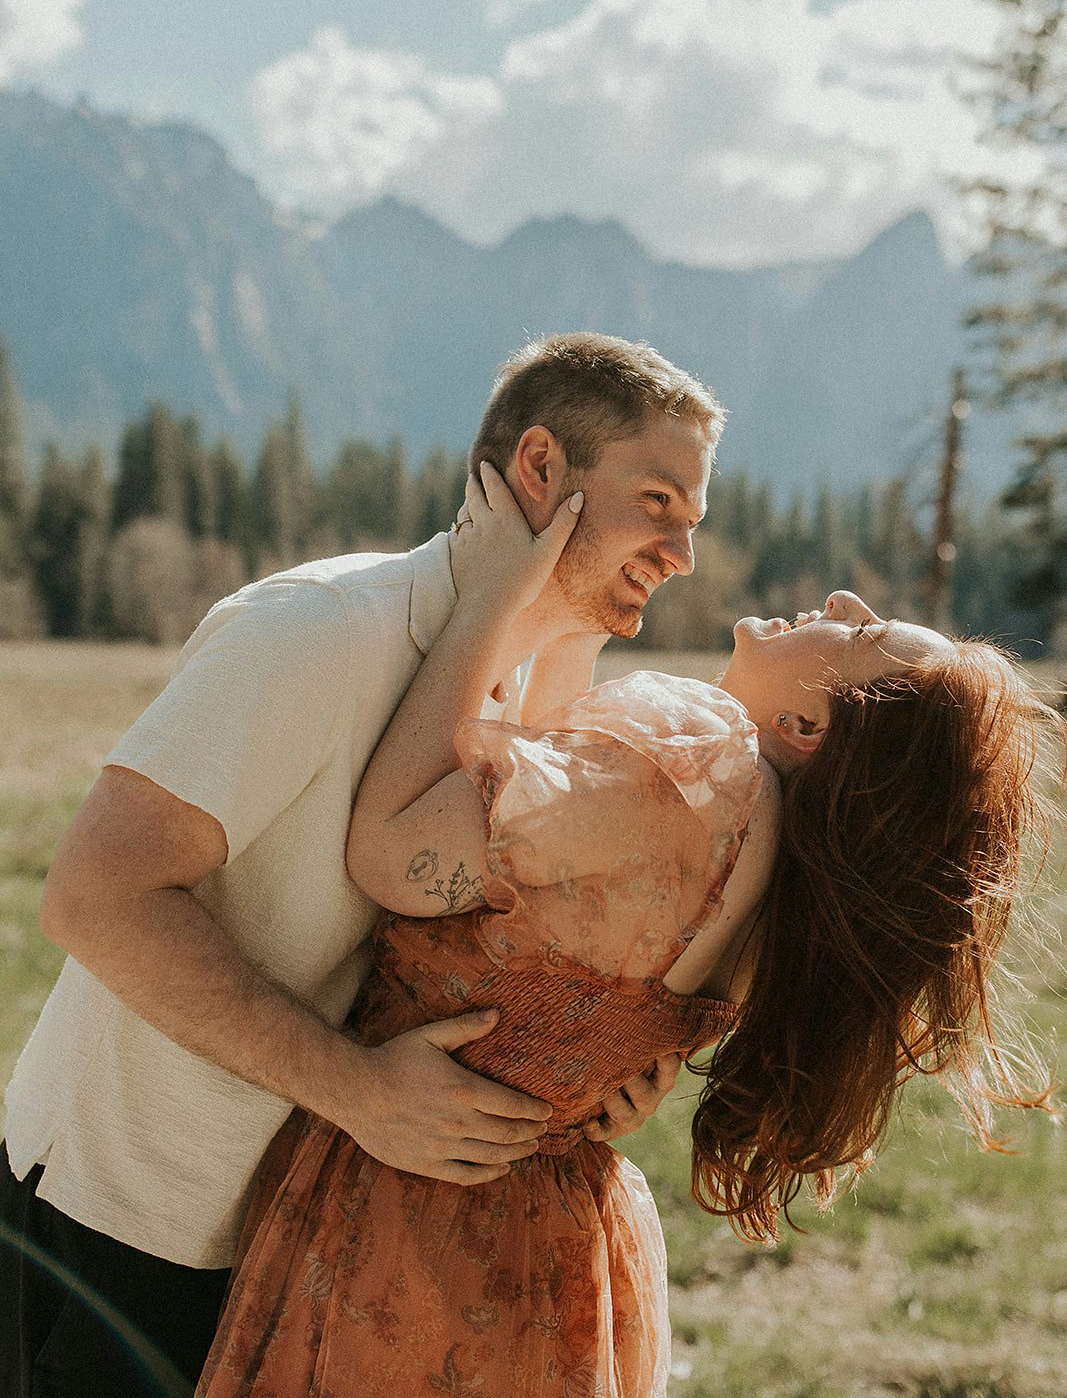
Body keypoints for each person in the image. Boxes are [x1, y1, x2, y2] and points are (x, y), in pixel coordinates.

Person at [195, 466, 1059, 1398]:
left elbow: (391, 848)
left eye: (857, 633)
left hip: (412, 1226)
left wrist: (491, 597)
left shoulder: (695, 762)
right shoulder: (786, 897)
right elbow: (549, 835)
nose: (842, 598)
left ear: (809, 722)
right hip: (562, 1245)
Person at [0, 333, 725, 1398]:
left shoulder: (518, 689)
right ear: (538, 469)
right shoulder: (320, 629)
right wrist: (356, 1091)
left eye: (691, 521)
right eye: (656, 501)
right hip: (127, 1229)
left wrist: (594, 1072)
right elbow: (94, 896)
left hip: (312, 1249)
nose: (681, 552)